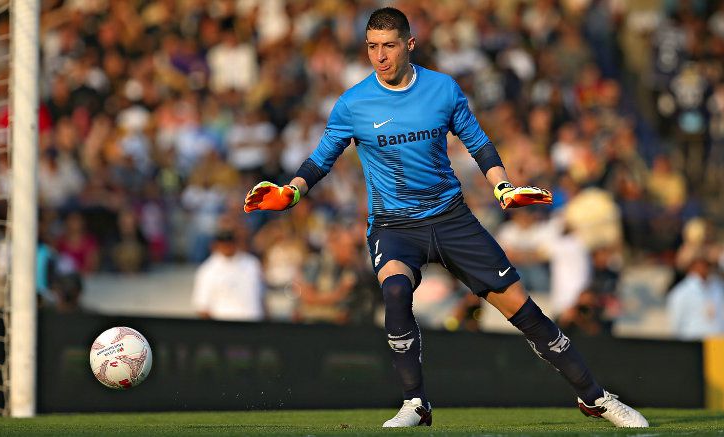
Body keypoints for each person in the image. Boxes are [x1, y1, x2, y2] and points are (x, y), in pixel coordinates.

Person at [244, 7, 647, 429]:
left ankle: (595, 397)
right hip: (394, 225)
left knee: (522, 309)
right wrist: (290, 192)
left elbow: (479, 143)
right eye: (372, 47)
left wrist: (503, 186)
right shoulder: (353, 104)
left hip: (452, 219)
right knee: (396, 291)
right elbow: (320, 160)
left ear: (409, 44)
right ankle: (415, 403)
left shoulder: (442, 89)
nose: (379, 56)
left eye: (389, 46)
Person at [191, 228, 265, 322]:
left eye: (230, 242)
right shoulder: (208, 270)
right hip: (225, 327)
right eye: (224, 243)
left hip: (253, 323)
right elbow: (202, 306)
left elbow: (261, 297)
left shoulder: (252, 264)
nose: (227, 246)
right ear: (216, 245)